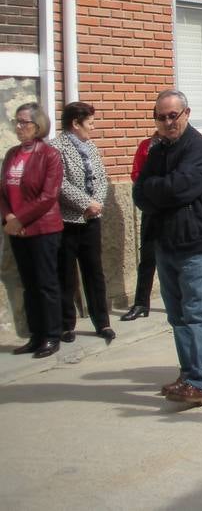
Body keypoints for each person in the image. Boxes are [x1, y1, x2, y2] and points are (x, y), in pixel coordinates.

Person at [133, 89, 202, 407]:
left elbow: (181, 188)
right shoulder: (157, 150)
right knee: (177, 317)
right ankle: (187, 375)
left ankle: (199, 383)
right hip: (165, 243)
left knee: (196, 313)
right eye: (162, 117)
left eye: (174, 115)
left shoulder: (197, 147)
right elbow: (139, 193)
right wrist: (159, 190)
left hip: (194, 243)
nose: (168, 122)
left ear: (186, 113)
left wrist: (157, 189)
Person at [2, 103, 65, 358]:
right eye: (16, 121)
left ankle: (52, 335)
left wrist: (20, 219)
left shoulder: (49, 155)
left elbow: (48, 196)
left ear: (37, 125)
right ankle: (35, 335)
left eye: (24, 122)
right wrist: (8, 216)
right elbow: (2, 190)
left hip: (43, 228)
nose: (18, 127)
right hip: (17, 229)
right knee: (29, 284)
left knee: (45, 283)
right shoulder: (12, 154)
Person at [51, 101, 115, 344]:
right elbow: (59, 183)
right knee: (66, 273)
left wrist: (96, 203)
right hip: (68, 220)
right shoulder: (56, 148)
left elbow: (101, 177)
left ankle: (103, 322)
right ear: (75, 123)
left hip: (91, 219)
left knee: (94, 272)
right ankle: (67, 325)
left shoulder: (91, 147)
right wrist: (83, 203)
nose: (93, 126)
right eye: (89, 122)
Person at [121, 133, 159, 321]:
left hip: (175, 209)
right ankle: (141, 303)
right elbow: (136, 173)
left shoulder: (183, 145)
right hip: (152, 209)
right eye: (160, 117)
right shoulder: (146, 146)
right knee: (147, 258)